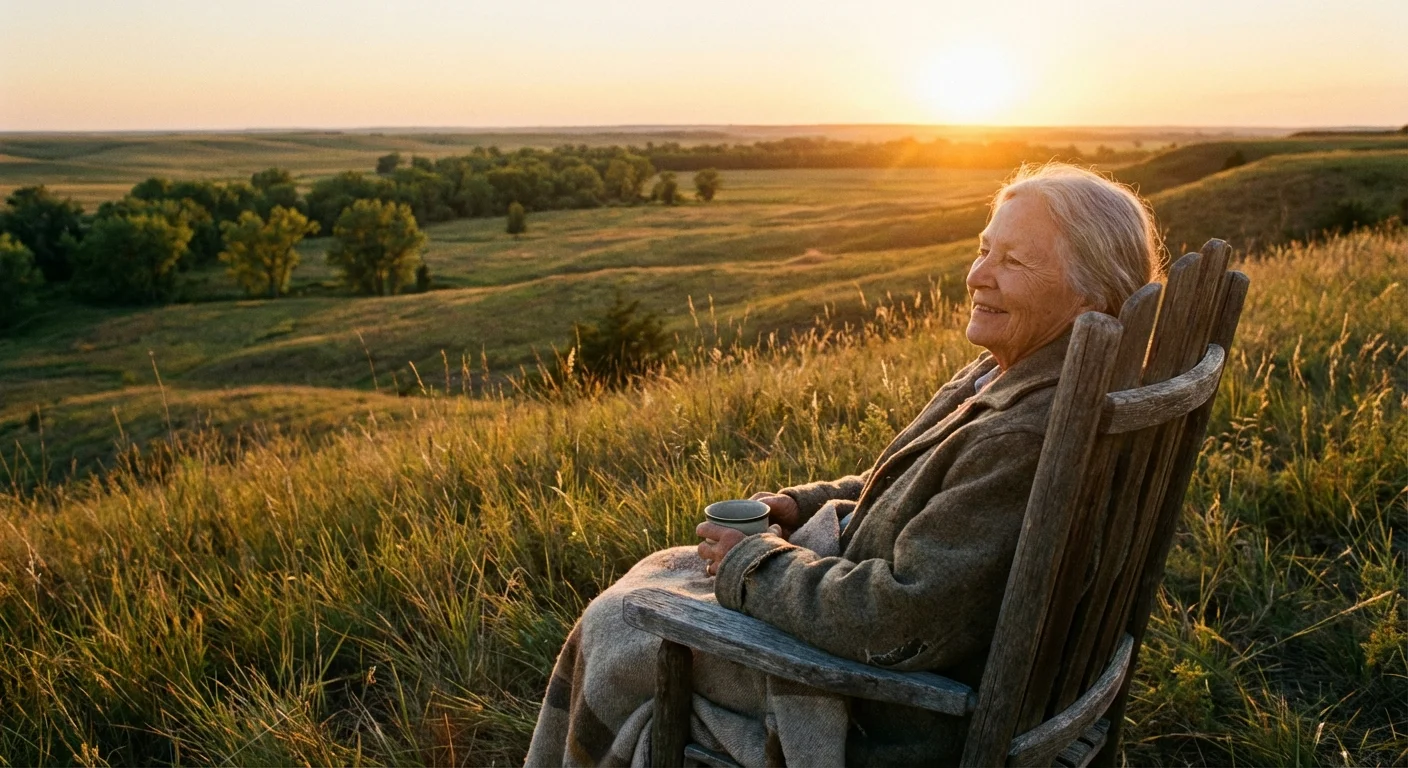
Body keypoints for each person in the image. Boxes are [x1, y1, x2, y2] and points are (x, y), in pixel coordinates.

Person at [526, 162, 1163, 766]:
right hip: (914, 657)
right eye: (982, 249)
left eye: (1015, 260)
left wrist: (753, 566)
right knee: (651, 583)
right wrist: (800, 505)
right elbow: (920, 488)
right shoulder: (1022, 377)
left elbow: (896, 620)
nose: (977, 276)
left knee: (622, 623)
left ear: (1090, 296)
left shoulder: (1021, 434)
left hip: (887, 713)